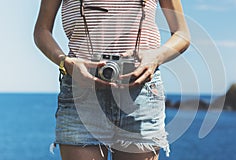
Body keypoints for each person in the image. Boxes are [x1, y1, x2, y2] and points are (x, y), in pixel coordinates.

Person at [34, 0, 190, 159]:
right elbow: (42, 30)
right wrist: (64, 62)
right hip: (81, 91)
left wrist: (156, 57)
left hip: (140, 92)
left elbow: (182, 33)